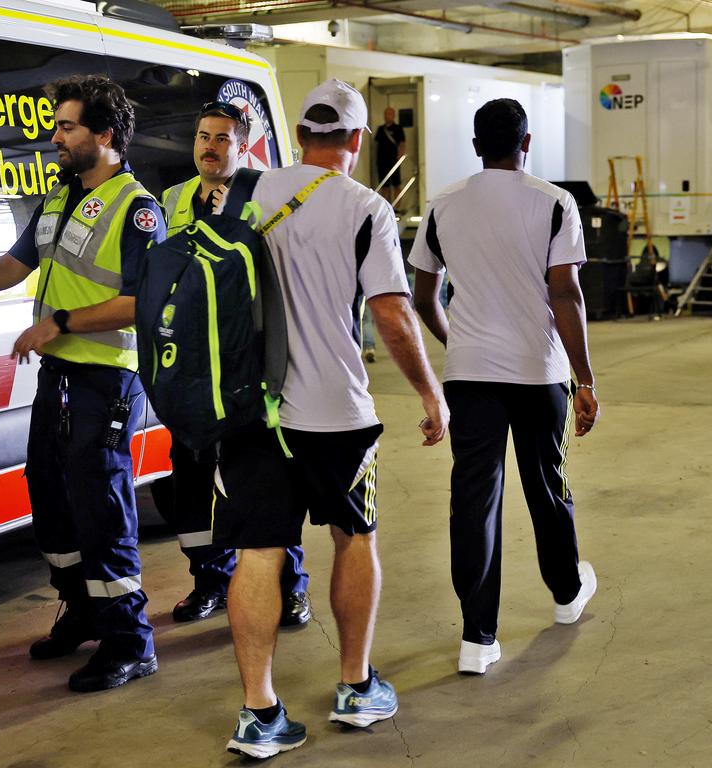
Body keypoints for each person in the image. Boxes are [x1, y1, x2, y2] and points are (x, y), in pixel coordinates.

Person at [214, 79, 449, 759]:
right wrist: (432, 393)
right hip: (337, 414)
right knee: (354, 537)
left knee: (257, 551)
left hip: (253, 411)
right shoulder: (365, 206)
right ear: (356, 138)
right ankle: (354, 686)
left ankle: (259, 713)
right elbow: (391, 313)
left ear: (298, 130)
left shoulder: (243, 192)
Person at [0, 75, 164, 693]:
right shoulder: (58, 198)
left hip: (106, 378)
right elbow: (15, 264)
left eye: (68, 126)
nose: (56, 136)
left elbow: (142, 302)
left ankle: (130, 639)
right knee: (49, 491)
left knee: (102, 504)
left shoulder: (139, 209)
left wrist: (62, 323)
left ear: (104, 136)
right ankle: (81, 609)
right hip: (60, 375)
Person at [409, 98, 599, 677]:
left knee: (474, 500)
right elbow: (564, 293)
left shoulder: (442, 205)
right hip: (538, 373)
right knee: (547, 487)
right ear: (527, 143)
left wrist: (458, 344)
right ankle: (567, 596)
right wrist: (585, 377)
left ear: (474, 146)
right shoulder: (555, 203)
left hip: (471, 377)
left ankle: (477, 638)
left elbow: (423, 296)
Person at [159, 101, 311, 626]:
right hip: (193, 365)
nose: (210, 146)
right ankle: (210, 581)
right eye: (203, 136)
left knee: (263, 480)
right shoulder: (174, 197)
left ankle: (291, 586)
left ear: (242, 147)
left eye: (223, 138)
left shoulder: (263, 194)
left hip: (244, 364)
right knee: (193, 481)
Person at [373, 106, 405, 208]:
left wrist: (400, 156)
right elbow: (377, 144)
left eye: (390, 114)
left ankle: (398, 208)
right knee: (385, 186)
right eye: (386, 114)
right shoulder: (380, 129)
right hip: (382, 162)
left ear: (394, 115)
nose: (387, 116)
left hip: (394, 162)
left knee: (396, 185)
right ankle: (386, 208)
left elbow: (402, 144)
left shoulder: (398, 128)